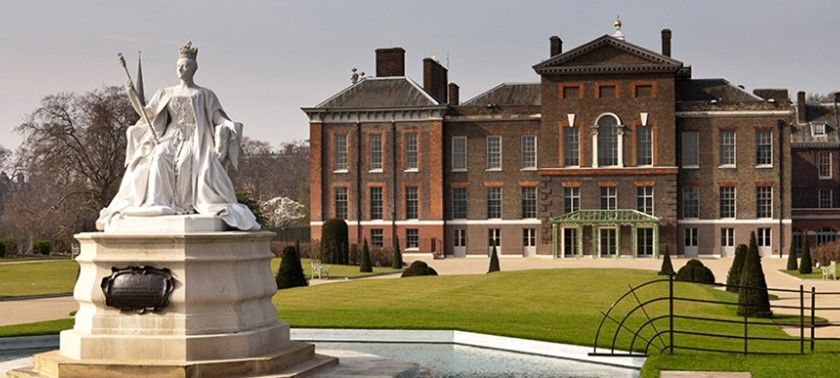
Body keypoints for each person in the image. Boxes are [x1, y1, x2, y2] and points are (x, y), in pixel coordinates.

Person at [96, 42, 259, 231]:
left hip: (195, 138)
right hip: (171, 135)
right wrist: (132, 94)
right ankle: (157, 204)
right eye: (178, 66)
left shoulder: (204, 94)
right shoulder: (166, 92)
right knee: (159, 157)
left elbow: (217, 117)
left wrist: (229, 124)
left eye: (185, 66)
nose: (181, 69)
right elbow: (147, 114)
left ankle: (185, 205)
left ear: (193, 68)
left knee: (186, 162)